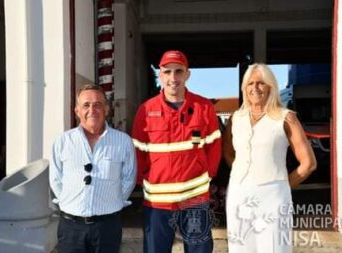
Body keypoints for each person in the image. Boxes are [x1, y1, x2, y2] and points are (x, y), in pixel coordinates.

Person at [132, 50, 222, 253]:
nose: (173, 78)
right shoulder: (146, 110)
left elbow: (214, 149)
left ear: (187, 74)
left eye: (179, 71)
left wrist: (206, 175)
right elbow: (137, 152)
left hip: (195, 200)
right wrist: (146, 178)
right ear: (160, 75)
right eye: (167, 72)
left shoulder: (204, 107)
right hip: (157, 203)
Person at [222, 63, 317, 253]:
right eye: (250, 83)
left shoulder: (286, 118)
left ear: (271, 87)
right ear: (244, 87)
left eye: (261, 83)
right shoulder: (236, 118)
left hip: (274, 198)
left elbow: (308, 164)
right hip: (238, 196)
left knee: (274, 249)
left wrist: (281, 186)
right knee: (240, 248)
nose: (255, 88)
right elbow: (228, 152)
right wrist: (243, 173)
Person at [49, 84, 137, 253]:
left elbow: (129, 179)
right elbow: (56, 179)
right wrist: (72, 203)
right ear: (77, 110)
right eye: (86, 105)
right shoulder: (62, 142)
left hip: (107, 228)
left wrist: (112, 201)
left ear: (107, 109)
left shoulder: (123, 141)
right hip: (71, 229)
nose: (92, 109)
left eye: (98, 104)